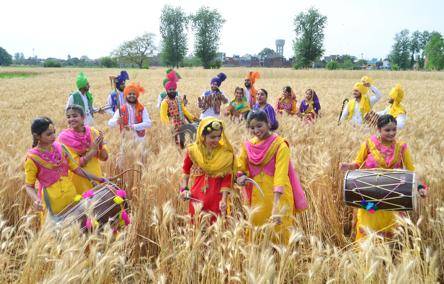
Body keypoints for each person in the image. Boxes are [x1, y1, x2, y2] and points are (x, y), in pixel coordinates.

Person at [339, 114, 427, 241]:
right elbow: (357, 163)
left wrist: (420, 187)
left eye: (394, 129)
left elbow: (411, 171)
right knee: (367, 233)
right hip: (369, 197)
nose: (392, 133)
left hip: (393, 199)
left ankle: (388, 258)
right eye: (387, 130)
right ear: (379, 129)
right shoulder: (368, 144)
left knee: (391, 235)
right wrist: (348, 166)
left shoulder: (402, 147)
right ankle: (365, 259)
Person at [237, 110, 307, 243]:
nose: (256, 130)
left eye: (259, 125)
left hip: (280, 197)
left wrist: (276, 206)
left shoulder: (280, 145)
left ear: (268, 123)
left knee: (280, 234)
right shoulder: (248, 146)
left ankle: (283, 263)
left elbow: (280, 175)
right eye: (252, 127)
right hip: (258, 197)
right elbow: (240, 166)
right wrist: (240, 176)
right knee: (258, 235)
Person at [24, 117, 105, 220]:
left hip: (71, 195)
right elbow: (29, 186)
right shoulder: (32, 158)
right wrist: (36, 200)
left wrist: (100, 179)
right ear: (36, 136)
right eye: (49, 134)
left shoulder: (61, 148)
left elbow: (77, 169)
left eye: (54, 132)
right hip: (52, 201)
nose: (53, 136)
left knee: (77, 225)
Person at [179, 117, 235, 222]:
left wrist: (223, 200)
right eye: (212, 137)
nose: (217, 140)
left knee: (216, 230)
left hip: (217, 199)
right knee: (196, 227)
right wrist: (184, 189)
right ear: (203, 136)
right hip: (196, 198)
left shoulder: (226, 154)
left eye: (219, 136)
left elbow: (227, 179)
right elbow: (185, 172)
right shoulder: (193, 150)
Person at [58, 105, 109, 195]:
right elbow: (76, 164)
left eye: (75, 116)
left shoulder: (93, 132)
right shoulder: (64, 138)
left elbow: (104, 158)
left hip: (96, 175)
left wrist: (101, 145)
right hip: (78, 179)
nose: (71, 119)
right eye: (68, 117)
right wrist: (92, 151)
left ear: (83, 117)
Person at [160, 70, 198, 147]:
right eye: (170, 90)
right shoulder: (165, 102)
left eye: (173, 89)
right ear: (166, 91)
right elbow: (163, 115)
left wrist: (193, 118)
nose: (172, 91)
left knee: (183, 140)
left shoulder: (178, 99)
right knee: (175, 141)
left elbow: (184, 110)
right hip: (172, 124)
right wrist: (168, 126)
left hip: (181, 122)